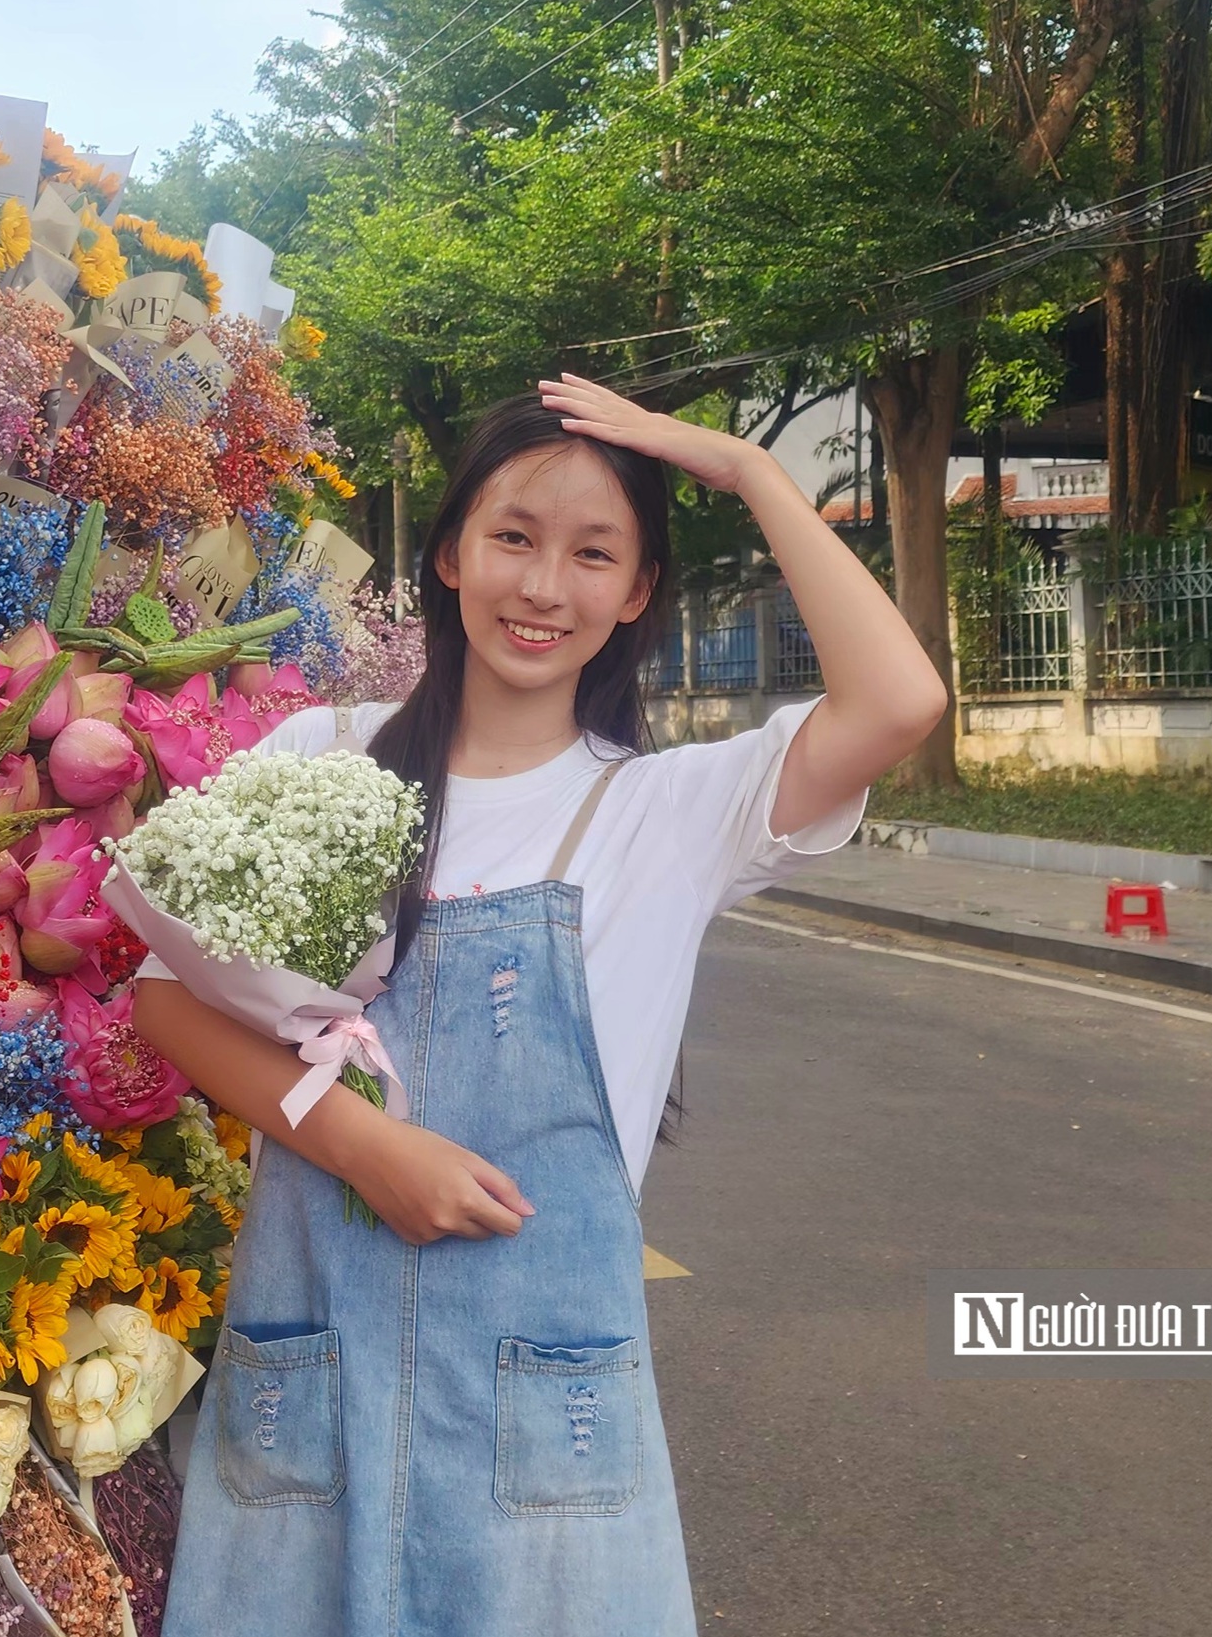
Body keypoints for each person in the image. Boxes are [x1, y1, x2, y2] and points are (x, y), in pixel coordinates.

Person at [139, 378, 948, 1637]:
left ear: (635, 593)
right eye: (514, 536)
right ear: (451, 550)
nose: (542, 586)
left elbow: (899, 702)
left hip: (543, 1415)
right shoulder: (319, 753)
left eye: (593, 554)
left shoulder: (671, 810)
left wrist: (748, 469)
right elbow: (165, 1003)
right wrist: (363, 1143)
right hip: (315, 1363)